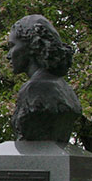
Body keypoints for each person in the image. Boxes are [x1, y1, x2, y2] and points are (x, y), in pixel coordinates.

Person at [6, 14, 81, 142]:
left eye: (12, 46)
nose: (8, 55)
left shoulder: (35, 89)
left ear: (32, 46)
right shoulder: (65, 89)